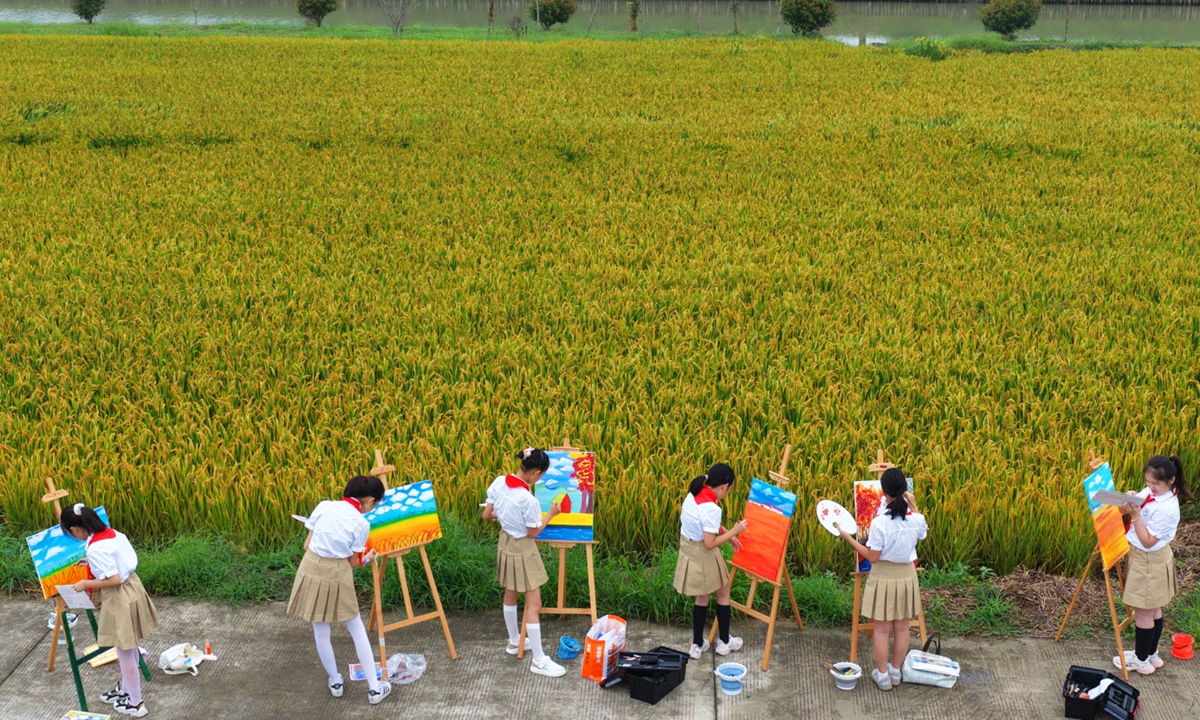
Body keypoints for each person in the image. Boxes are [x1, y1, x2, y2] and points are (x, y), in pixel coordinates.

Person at [288, 475, 392, 705]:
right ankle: (375, 690)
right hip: (337, 572)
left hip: (311, 566)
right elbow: (352, 562)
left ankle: (335, 681)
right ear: (370, 500)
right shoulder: (361, 524)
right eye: (375, 504)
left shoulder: (325, 506)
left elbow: (307, 545)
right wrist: (368, 558)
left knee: (320, 629)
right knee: (355, 626)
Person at [61, 503, 159, 717]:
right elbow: (117, 560)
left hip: (119, 598)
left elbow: (113, 579)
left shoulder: (96, 548)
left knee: (124, 651)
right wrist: (92, 563)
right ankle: (125, 689)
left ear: (76, 530)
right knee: (130, 645)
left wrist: (86, 584)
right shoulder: (112, 533)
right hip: (133, 587)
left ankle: (136, 703)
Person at [837, 468, 926, 691]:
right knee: (903, 628)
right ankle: (896, 671)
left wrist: (847, 537)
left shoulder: (880, 523)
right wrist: (913, 505)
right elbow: (921, 531)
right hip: (906, 577)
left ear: (884, 494)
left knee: (882, 629)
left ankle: (883, 677)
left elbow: (872, 558)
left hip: (884, 577)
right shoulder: (917, 519)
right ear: (905, 491)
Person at [483, 447, 567, 677]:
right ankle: (539, 661)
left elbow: (487, 514)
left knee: (511, 592)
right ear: (537, 472)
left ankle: (513, 641)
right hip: (522, 547)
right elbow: (533, 532)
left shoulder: (499, 482)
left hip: (505, 543)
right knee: (534, 604)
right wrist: (550, 514)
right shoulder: (527, 500)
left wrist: (507, 513)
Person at [1115, 455, 1191, 675]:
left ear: (1171, 480)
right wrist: (1127, 501)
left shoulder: (1168, 509)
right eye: (1148, 482)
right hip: (1148, 559)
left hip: (1149, 560)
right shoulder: (1153, 493)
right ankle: (1151, 654)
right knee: (1154, 609)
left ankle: (1141, 661)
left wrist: (1136, 516)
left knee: (1144, 613)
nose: (1150, 487)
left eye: (1155, 484)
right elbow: (1124, 510)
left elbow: (1148, 541)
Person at [672, 463, 748, 661]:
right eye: (729, 489)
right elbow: (709, 543)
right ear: (724, 486)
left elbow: (703, 522)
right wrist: (734, 531)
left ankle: (697, 645)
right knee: (723, 593)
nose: (728, 493)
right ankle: (724, 642)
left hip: (689, 550)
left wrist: (724, 532)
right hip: (703, 553)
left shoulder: (695, 492)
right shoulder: (712, 509)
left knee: (702, 596)